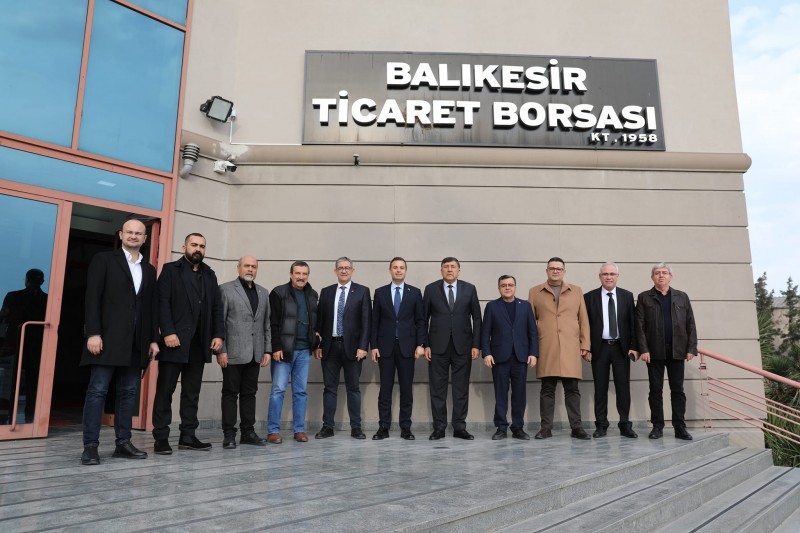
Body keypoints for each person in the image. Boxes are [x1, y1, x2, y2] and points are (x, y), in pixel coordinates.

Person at [79, 220, 159, 465]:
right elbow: (92, 298)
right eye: (130, 232)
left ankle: (123, 443)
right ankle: (90, 446)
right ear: (121, 235)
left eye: (138, 233)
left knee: (128, 392)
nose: (134, 236)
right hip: (106, 339)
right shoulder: (104, 260)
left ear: (145, 238)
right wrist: (93, 333)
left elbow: (150, 308)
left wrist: (153, 339)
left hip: (136, 343)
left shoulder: (149, 269)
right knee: (97, 391)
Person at [152, 233, 224, 454]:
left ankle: (188, 436)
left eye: (202, 246)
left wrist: (218, 334)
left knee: (192, 393)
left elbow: (216, 307)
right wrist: (168, 332)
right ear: (184, 247)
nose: (198, 249)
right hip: (174, 342)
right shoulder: (170, 270)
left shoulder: (209, 274)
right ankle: (161, 438)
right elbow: (161, 302)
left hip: (199, 343)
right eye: (194, 245)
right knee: (165, 391)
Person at [528, 257, 591, 440]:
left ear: (564, 271)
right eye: (552, 268)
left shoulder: (576, 291)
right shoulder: (535, 292)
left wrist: (585, 344)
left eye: (559, 268)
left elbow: (583, 319)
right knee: (547, 389)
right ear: (546, 270)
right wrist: (532, 349)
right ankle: (545, 428)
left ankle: (577, 427)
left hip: (570, 347)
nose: (555, 271)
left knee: (572, 389)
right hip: (546, 346)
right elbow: (530, 324)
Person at [635, 262, 697, 441]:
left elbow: (690, 323)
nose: (661, 275)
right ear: (652, 277)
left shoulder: (682, 297)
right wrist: (643, 349)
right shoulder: (644, 297)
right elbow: (639, 326)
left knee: (678, 390)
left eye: (664, 272)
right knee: (655, 390)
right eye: (657, 273)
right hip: (654, 352)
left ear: (670, 276)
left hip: (677, 351)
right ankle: (657, 426)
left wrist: (691, 348)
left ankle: (680, 427)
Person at [423, 257, 482, 440]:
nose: (449, 270)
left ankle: (459, 427)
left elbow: (477, 319)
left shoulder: (469, 289)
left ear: (459, 270)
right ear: (441, 270)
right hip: (437, 347)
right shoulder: (431, 289)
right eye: (446, 267)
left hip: (463, 347)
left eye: (453, 267)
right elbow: (423, 319)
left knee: (461, 389)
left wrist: (476, 345)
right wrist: (426, 344)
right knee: (437, 390)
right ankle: (439, 428)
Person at [217, 256, 271, 449]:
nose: (250, 269)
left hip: (255, 353)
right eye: (247, 266)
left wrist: (267, 350)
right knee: (230, 393)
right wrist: (221, 350)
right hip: (232, 353)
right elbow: (220, 322)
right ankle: (229, 434)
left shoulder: (263, 292)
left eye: (253, 267)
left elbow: (266, 324)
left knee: (250, 393)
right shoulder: (226, 289)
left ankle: (248, 432)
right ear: (238, 267)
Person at [314, 257, 371, 439]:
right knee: (329, 388)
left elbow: (366, 322)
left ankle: (356, 427)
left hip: (353, 349)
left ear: (352, 270)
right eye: (340, 268)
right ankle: (327, 427)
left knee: (353, 388)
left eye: (347, 268)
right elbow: (320, 321)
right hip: (329, 347)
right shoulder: (326, 292)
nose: (344, 271)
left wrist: (363, 346)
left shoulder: (362, 291)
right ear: (335, 271)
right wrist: (318, 345)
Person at [370, 257, 426, 440]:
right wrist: (374, 346)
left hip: (407, 348)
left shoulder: (415, 293)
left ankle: (406, 427)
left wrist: (420, 344)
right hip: (385, 347)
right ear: (390, 270)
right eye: (395, 267)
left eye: (402, 267)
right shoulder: (380, 293)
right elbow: (374, 321)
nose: (399, 270)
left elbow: (420, 321)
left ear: (406, 270)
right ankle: (383, 427)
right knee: (385, 389)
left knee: (406, 389)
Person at [266, 261, 319, 444]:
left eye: (304, 274)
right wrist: (276, 347)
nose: (301, 277)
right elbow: (272, 323)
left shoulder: (312, 295)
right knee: (278, 390)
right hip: (284, 351)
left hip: (304, 351)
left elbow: (315, 323)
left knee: (300, 392)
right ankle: (273, 431)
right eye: (297, 273)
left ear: (308, 275)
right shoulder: (278, 293)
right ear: (291, 274)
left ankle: (299, 430)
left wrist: (316, 342)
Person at [584, 262, 639, 439]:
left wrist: (634, 346)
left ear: (617, 276)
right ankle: (601, 425)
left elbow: (633, 324)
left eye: (612, 274)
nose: (608, 277)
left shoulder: (627, 296)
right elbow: (584, 325)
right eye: (605, 274)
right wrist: (586, 347)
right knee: (600, 388)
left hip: (621, 349)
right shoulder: (589, 297)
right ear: (600, 276)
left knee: (623, 388)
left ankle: (625, 424)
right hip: (599, 348)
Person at [481, 275, 538, 440]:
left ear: (515, 287)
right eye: (504, 285)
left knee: (519, 395)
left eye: (510, 285)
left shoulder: (525, 306)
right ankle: (501, 428)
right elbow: (485, 333)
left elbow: (532, 333)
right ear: (499, 288)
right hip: (499, 358)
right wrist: (487, 353)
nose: (507, 288)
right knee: (500, 394)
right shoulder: (492, 306)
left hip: (520, 358)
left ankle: (518, 428)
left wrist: (533, 353)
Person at [0, 268, 47, 424]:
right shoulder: (47, 299)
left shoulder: (13, 296)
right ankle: (29, 416)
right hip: (36, 344)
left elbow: (4, 318)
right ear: (42, 281)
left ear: (26, 280)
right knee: (31, 382)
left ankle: (7, 415)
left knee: (11, 382)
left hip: (17, 343)